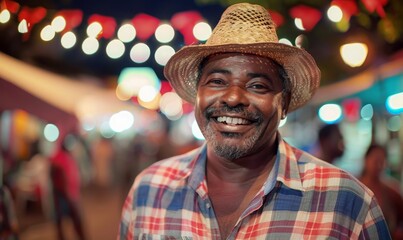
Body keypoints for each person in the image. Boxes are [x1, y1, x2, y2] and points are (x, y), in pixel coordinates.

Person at [118, 3, 390, 239]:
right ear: (197, 96)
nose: (233, 97)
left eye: (258, 85)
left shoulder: (347, 203)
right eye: (217, 81)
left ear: (283, 104)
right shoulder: (149, 189)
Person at [359, 144, 403, 239]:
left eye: (381, 161)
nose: (378, 165)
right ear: (366, 160)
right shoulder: (356, 187)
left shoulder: (392, 192)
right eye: (375, 160)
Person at [50, 140, 86, 240]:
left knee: (63, 220)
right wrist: (67, 194)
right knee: (73, 219)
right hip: (65, 194)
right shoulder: (61, 159)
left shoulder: (62, 158)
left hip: (66, 193)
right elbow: (60, 177)